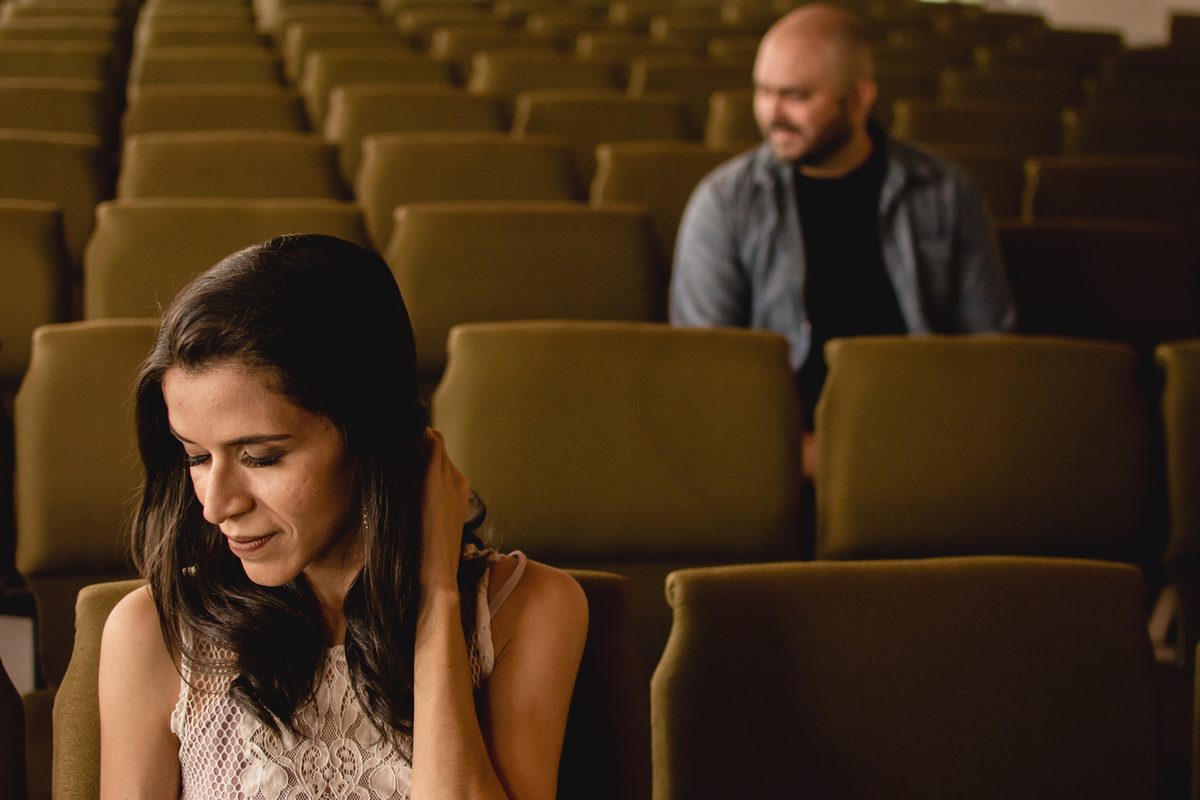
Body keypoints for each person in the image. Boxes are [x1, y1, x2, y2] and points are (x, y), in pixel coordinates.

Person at [97, 234, 589, 800]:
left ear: (370, 436)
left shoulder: (529, 611)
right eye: (197, 457)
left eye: (262, 457)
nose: (216, 504)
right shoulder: (152, 634)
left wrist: (434, 599)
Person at [670, 3, 1016, 460]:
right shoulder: (723, 203)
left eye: (795, 95)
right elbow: (706, 373)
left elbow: (991, 349)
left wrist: (935, 449)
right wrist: (816, 457)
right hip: (784, 456)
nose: (772, 114)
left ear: (858, 99)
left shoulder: (947, 193)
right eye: (762, 91)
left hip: (927, 442)